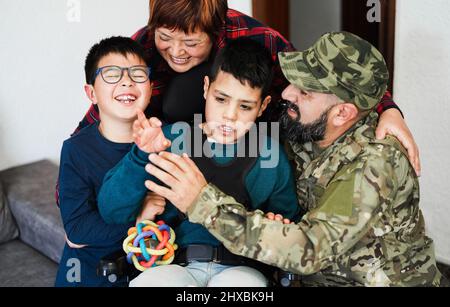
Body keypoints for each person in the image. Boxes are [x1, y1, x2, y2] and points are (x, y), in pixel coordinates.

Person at [139, 32, 448, 287]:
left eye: (305, 91)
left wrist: (200, 200)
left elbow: (309, 248)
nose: (287, 92)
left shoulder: (376, 163)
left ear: (342, 113)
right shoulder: (303, 128)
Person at [72, 0, 421, 175]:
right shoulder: (144, 46)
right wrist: (74, 170)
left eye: (191, 43)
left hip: (252, 150)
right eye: (166, 39)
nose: (176, 52)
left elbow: (322, 80)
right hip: (178, 149)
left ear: (216, 32)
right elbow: (104, 110)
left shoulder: (256, 37)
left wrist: (387, 107)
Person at [97, 38, 301, 287]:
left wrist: (276, 224)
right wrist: (141, 155)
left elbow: (288, 228)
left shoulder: (271, 156)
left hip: (241, 268)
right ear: (206, 88)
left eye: (245, 106)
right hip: (176, 263)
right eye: (221, 99)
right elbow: (111, 211)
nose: (230, 115)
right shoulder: (168, 138)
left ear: (262, 106)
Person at [55, 36, 154, 287]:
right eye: (111, 74)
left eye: (138, 73)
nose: (127, 81)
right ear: (92, 93)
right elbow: (78, 229)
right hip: (88, 273)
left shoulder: (161, 141)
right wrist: (140, 220)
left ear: (151, 87)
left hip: (148, 271)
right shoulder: (75, 149)